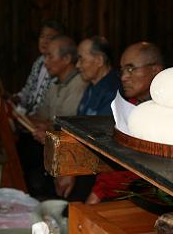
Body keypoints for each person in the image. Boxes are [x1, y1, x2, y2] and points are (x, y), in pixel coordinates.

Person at [85, 41, 164, 204]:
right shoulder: (131, 105)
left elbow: (138, 168)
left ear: (155, 70)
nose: (123, 77)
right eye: (122, 70)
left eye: (131, 69)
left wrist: (98, 192)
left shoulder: (164, 114)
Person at [18, 35, 88, 196]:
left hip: (68, 147)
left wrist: (47, 126)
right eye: (45, 56)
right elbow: (41, 115)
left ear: (66, 59)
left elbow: (65, 127)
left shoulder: (78, 85)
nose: (45, 62)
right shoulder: (56, 84)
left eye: (50, 56)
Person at [54, 36, 121, 199]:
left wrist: (71, 170)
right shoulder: (92, 87)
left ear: (99, 60)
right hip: (83, 163)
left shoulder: (112, 91)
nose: (77, 65)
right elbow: (78, 128)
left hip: (99, 170)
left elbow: (99, 143)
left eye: (81, 59)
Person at [14, 20, 65, 115]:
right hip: (29, 117)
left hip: (43, 121)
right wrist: (12, 98)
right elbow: (27, 92)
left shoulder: (60, 65)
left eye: (50, 37)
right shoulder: (39, 61)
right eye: (42, 36)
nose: (44, 41)